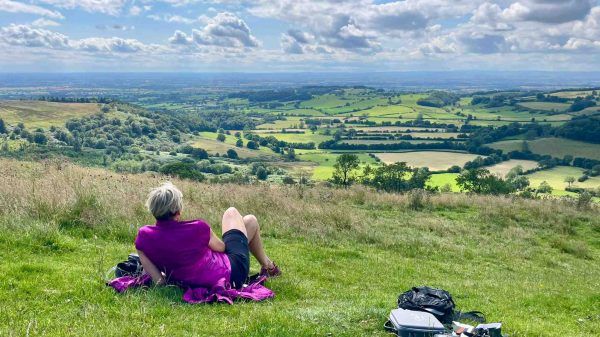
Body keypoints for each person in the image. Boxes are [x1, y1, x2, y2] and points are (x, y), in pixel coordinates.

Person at [135, 182, 280, 289]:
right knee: (244, 218)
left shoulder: (143, 236)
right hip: (233, 274)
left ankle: (268, 266)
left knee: (246, 223)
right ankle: (269, 266)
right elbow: (223, 248)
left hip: (189, 282)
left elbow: (159, 281)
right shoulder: (198, 227)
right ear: (178, 211)